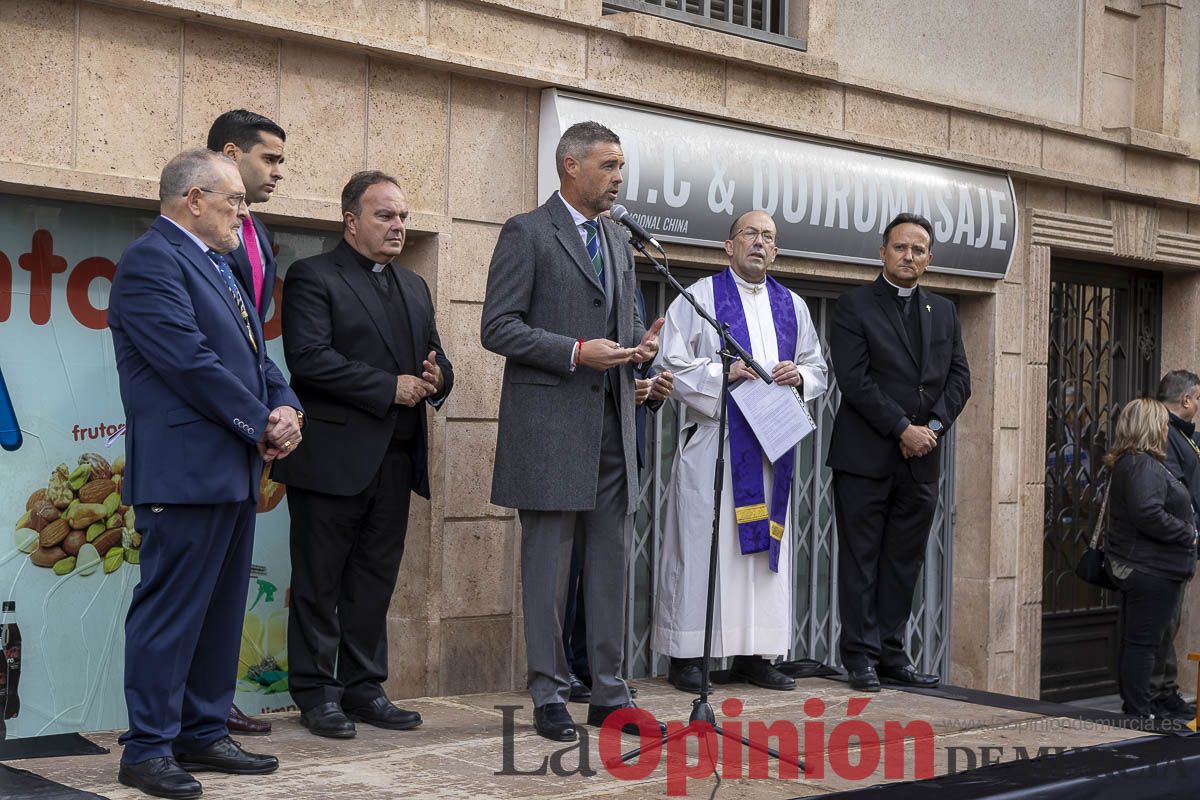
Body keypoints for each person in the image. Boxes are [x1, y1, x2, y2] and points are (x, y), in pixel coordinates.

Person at [109, 149, 302, 799]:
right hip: (184, 473)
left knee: (220, 614)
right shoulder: (150, 262)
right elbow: (188, 364)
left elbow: (259, 360)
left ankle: (202, 731)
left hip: (230, 472)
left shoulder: (219, 268)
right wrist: (261, 425)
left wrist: (286, 406)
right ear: (193, 199)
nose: (241, 214)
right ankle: (148, 748)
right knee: (171, 614)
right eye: (233, 203)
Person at [481, 121, 662, 742]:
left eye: (621, 166)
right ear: (570, 167)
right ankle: (548, 693)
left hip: (613, 425)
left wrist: (643, 354)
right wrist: (576, 350)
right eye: (609, 166)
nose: (619, 178)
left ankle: (610, 693)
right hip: (550, 428)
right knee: (549, 569)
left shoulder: (616, 238)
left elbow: (629, 318)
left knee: (611, 564)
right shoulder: (527, 233)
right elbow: (497, 328)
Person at [274, 171, 453, 739]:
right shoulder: (312, 277)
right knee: (318, 584)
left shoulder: (414, 287)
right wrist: (388, 386)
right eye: (385, 216)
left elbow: (437, 360)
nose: (398, 226)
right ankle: (314, 692)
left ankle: (364, 688)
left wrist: (437, 376)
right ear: (351, 221)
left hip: (396, 460)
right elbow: (307, 359)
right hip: (330, 460)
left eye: (403, 217)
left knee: (374, 582)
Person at [651, 210, 828, 693]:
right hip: (716, 446)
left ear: (776, 251)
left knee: (759, 556)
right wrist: (719, 374)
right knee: (703, 549)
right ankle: (689, 654)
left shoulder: (794, 305)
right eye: (749, 234)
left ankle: (756, 653)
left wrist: (801, 377)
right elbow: (669, 363)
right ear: (728, 247)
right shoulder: (700, 298)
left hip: (771, 448)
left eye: (768, 237)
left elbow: (818, 369)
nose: (759, 243)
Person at [828, 212, 971, 692]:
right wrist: (901, 429)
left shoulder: (944, 312)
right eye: (900, 247)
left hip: (921, 460)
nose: (908, 256)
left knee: (903, 562)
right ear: (882, 252)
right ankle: (860, 657)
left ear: (929, 258)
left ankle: (893, 653)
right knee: (862, 560)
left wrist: (930, 427)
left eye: (918, 249)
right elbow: (855, 381)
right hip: (865, 458)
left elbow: (959, 380)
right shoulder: (854, 306)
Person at [206, 108, 287, 738]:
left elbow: (256, 345)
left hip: (245, 444)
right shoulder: (190, 249)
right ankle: (182, 720)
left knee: (230, 591)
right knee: (185, 597)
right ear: (231, 153)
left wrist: (285, 407)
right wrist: (259, 417)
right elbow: (201, 358)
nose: (279, 173)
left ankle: (212, 706)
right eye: (270, 159)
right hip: (206, 442)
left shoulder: (261, 237)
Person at [562, 290, 674, 702]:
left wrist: (651, 388)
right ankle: (563, 668)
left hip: (619, 443)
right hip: (570, 439)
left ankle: (595, 667)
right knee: (566, 566)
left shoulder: (625, 273)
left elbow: (635, 357)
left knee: (604, 567)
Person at [1102, 398, 1198, 723]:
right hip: (1151, 569)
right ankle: (1139, 712)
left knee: (1139, 642)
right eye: (1161, 422)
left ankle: (1138, 708)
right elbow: (1148, 513)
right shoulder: (1142, 463)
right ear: (1149, 426)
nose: (1165, 429)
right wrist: (1189, 533)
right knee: (1143, 644)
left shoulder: (1135, 462)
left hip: (1148, 567)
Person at [1150, 371, 1200, 719]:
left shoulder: (1182, 435)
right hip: (1169, 546)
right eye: (1198, 398)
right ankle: (1157, 693)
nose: (1198, 405)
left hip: (1180, 544)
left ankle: (1166, 690)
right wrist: (1191, 530)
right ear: (1186, 400)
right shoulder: (1166, 434)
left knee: (1171, 621)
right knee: (1162, 623)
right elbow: (1175, 493)